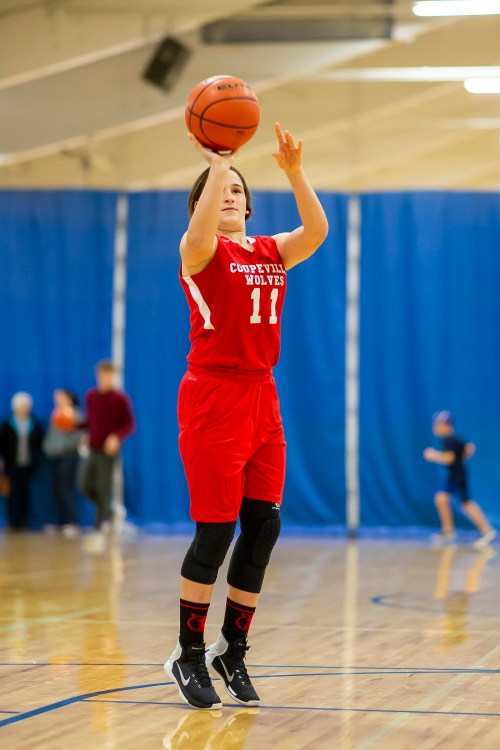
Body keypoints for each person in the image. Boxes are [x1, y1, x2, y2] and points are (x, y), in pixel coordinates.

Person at [164, 122, 329, 710]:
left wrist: (294, 172)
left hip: (262, 396)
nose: (231, 194)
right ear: (203, 205)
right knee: (215, 531)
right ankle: (187, 652)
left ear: (251, 206)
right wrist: (218, 163)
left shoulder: (269, 250)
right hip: (213, 397)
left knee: (263, 526)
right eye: (220, 190)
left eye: (239, 189)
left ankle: (231, 649)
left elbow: (317, 230)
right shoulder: (199, 250)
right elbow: (202, 224)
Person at [78, 361, 135, 543]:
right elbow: (90, 421)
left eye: (109, 375)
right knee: (83, 484)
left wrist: (116, 436)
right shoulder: (91, 396)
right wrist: (76, 425)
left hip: (108, 452)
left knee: (103, 488)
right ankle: (110, 512)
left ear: (114, 376)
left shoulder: (120, 398)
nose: (106, 378)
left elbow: (129, 424)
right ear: (98, 375)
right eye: (103, 374)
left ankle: (98, 527)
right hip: (92, 449)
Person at [424, 410, 497, 549]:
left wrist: (433, 455)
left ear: (446, 426)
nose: (435, 427)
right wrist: (461, 460)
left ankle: (487, 531)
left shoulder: (449, 440)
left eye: (438, 425)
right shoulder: (453, 439)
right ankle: (448, 531)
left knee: (465, 503)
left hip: (458, 476)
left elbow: (449, 458)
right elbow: (469, 448)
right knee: (441, 498)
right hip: (455, 475)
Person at [42, 388, 83, 538]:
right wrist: (48, 448)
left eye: (61, 397)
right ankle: (62, 521)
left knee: (65, 488)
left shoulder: (76, 415)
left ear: (69, 398)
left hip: (68, 456)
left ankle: (72, 522)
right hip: (54, 457)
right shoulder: (55, 414)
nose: (58, 400)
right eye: (56, 397)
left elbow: (79, 435)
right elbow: (51, 436)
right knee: (56, 489)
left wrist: (62, 448)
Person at [0, 392, 44, 530]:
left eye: (26, 406)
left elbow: (39, 442)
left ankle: (23, 520)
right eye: (22, 406)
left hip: (28, 463)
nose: (24, 409)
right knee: (13, 492)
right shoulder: (8, 423)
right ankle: (13, 521)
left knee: (25, 492)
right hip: (12, 464)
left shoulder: (33, 422)